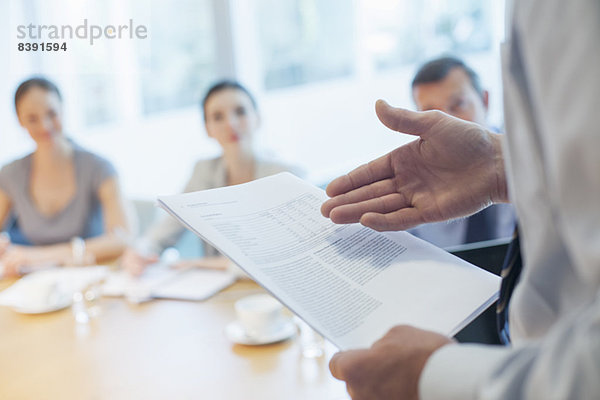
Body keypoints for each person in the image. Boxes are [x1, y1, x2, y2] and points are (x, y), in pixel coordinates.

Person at [321, 1, 600, 399]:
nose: (449, 119)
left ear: (483, 96)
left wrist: (436, 375)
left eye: (459, 104)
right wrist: (505, 167)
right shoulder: (425, 200)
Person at [122, 80, 297, 276]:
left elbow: (276, 257)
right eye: (217, 117)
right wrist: (140, 252)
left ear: (257, 118)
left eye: (240, 112)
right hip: (218, 293)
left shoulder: (286, 177)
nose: (230, 124)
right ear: (208, 129)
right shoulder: (204, 172)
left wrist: (201, 264)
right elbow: (162, 232)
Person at [0, 77, 131, 276]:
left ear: (63, 109)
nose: (45, 126)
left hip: (92, 279)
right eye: (32, 119)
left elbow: (124, 238)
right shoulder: (10, 174)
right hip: (36, 285)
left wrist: (43, 255)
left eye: (52, 114)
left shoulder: (99, 167)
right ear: (19, 120)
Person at [406, 56, 515, 247]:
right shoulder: (414, 187)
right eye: (429, 114)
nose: (446, 125)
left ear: (485, 101)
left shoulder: (529, 160)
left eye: (458, 105)